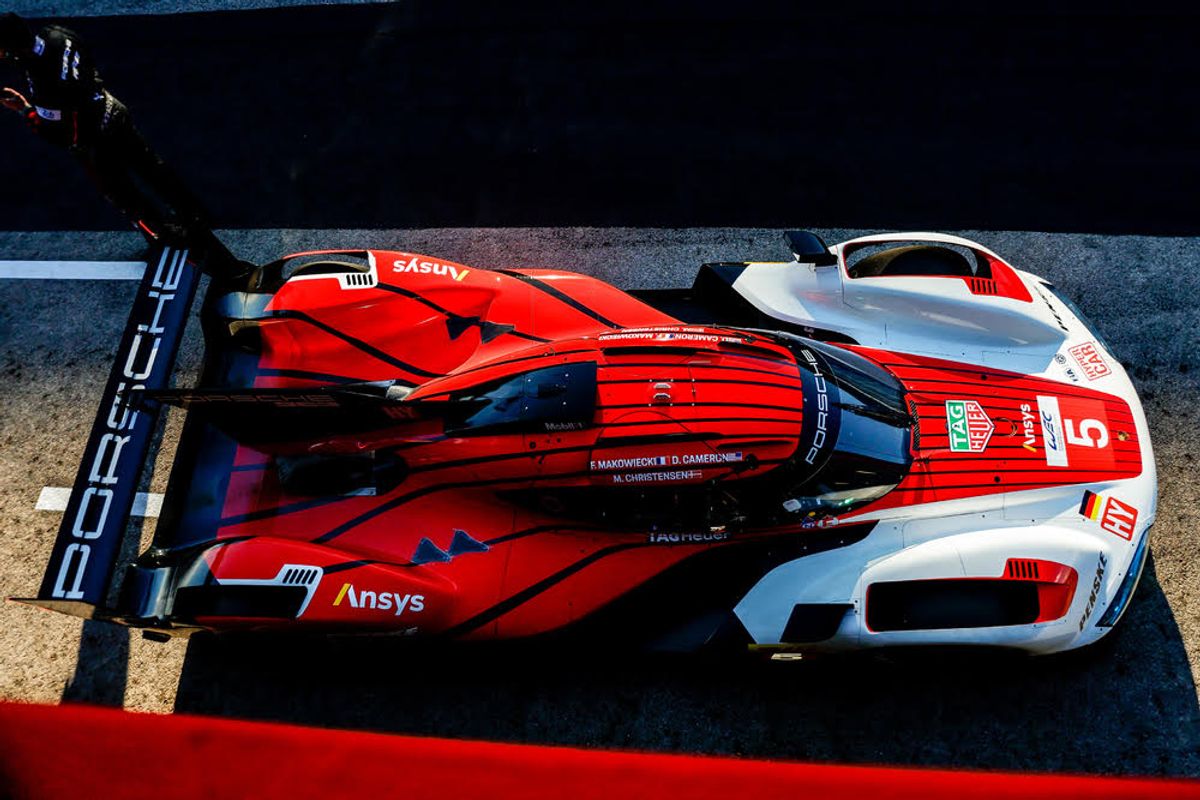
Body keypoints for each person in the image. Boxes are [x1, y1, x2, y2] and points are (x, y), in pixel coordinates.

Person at [0, 12, 246, 276]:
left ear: (10, 47)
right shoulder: (57, 34)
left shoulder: (41, 82)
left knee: (124, 196)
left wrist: (24, 109)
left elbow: (57, 132)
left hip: (94, 141)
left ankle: (164, 236)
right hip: (112, 109)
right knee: (152, 167)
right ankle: (193, 211)